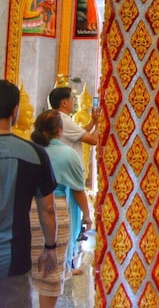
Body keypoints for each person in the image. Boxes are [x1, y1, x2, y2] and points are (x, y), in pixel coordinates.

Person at [0, 79, 58, 307]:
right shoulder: (34, 154)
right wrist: (50, 247)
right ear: (15, 111)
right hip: (14, 260)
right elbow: (48, 209)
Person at [29, 110, 93, 305]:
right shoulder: (68, 154)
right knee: (51, 269)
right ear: (59, 130)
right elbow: (78, 190)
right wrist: (87, 216)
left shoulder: (30, 151)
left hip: (28, 209)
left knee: (31, 262)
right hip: (55, 210)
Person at [48, 86, 98, 274]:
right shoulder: (63, 120)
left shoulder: (59, 119)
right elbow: (92, 140)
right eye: (72, 99)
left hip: (58, 175)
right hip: (67, 175)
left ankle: (68, 264)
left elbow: (78, 133)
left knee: (66, 223)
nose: (75, 102)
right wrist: (101, 124)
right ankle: (67, 266)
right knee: (70, 223)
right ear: (64, 103)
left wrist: (93, 121)